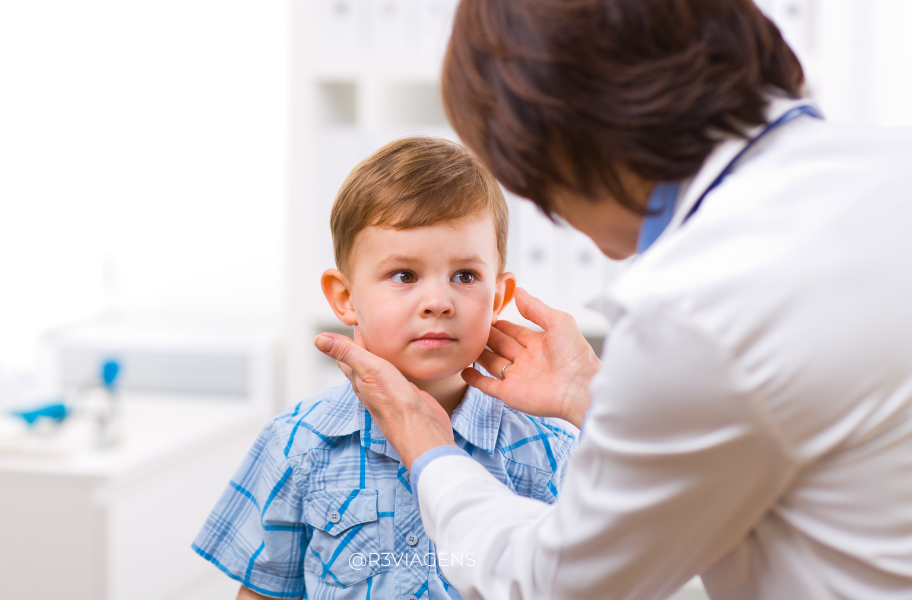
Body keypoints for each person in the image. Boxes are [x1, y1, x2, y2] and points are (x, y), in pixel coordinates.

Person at [313, 1, 912, 599]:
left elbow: (556, 584)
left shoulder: (698, 306)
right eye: (403, 275)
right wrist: (589, 397)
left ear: (557, 144)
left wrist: (430, 452)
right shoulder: (888, 168)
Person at [193, 137, 579, 600]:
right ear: (345, 297)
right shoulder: (296, 444)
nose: (438, 302)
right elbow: (262, 592)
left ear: (498, 297)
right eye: (404, 275)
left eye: (465, 276)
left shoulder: (550, 453)